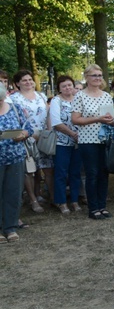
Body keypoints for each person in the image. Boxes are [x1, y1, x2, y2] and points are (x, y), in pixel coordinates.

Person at [71, 64, 114, 220]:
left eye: (100, 75)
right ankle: (93, 207)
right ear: (86, 78)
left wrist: (112, 121)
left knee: (104, 173)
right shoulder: (80, 96)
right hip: (87, 140)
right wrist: (97, 118)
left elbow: (111, 118)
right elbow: (75, 119)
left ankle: (102, 205)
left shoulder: (106, 96)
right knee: (92, 174)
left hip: (104, 139)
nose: (97, 78)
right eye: (94, 75)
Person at [11, 70, 50, 213]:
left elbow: (48, 113)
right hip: (26, 137)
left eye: (30, 79)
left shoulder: (41, 95)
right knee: (29, 169)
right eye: (24, 80)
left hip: (43, 136)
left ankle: (38, 193)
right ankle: (32, 199)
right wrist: (25, 134)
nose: (28, 82)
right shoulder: (13, 99)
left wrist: (49, 131)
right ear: (17, 84)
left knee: (41, 167)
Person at [0, 84, 34, 243]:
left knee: (13, 193)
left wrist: (23, 134)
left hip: (15, 157)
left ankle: (10, 227)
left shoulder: (15, 108)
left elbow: (29, 129)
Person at [49, 75, 82, 214]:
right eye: (64, 86)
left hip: (79, 142)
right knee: (61, 173)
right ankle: (61, 201)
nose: (68, 88)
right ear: (59, 89)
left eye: (69, 85)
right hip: (62, 142)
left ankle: (74, 200)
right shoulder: (56, 101)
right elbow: (56, 123)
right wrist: (72, 134)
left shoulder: (78, 99)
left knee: (75, 172)